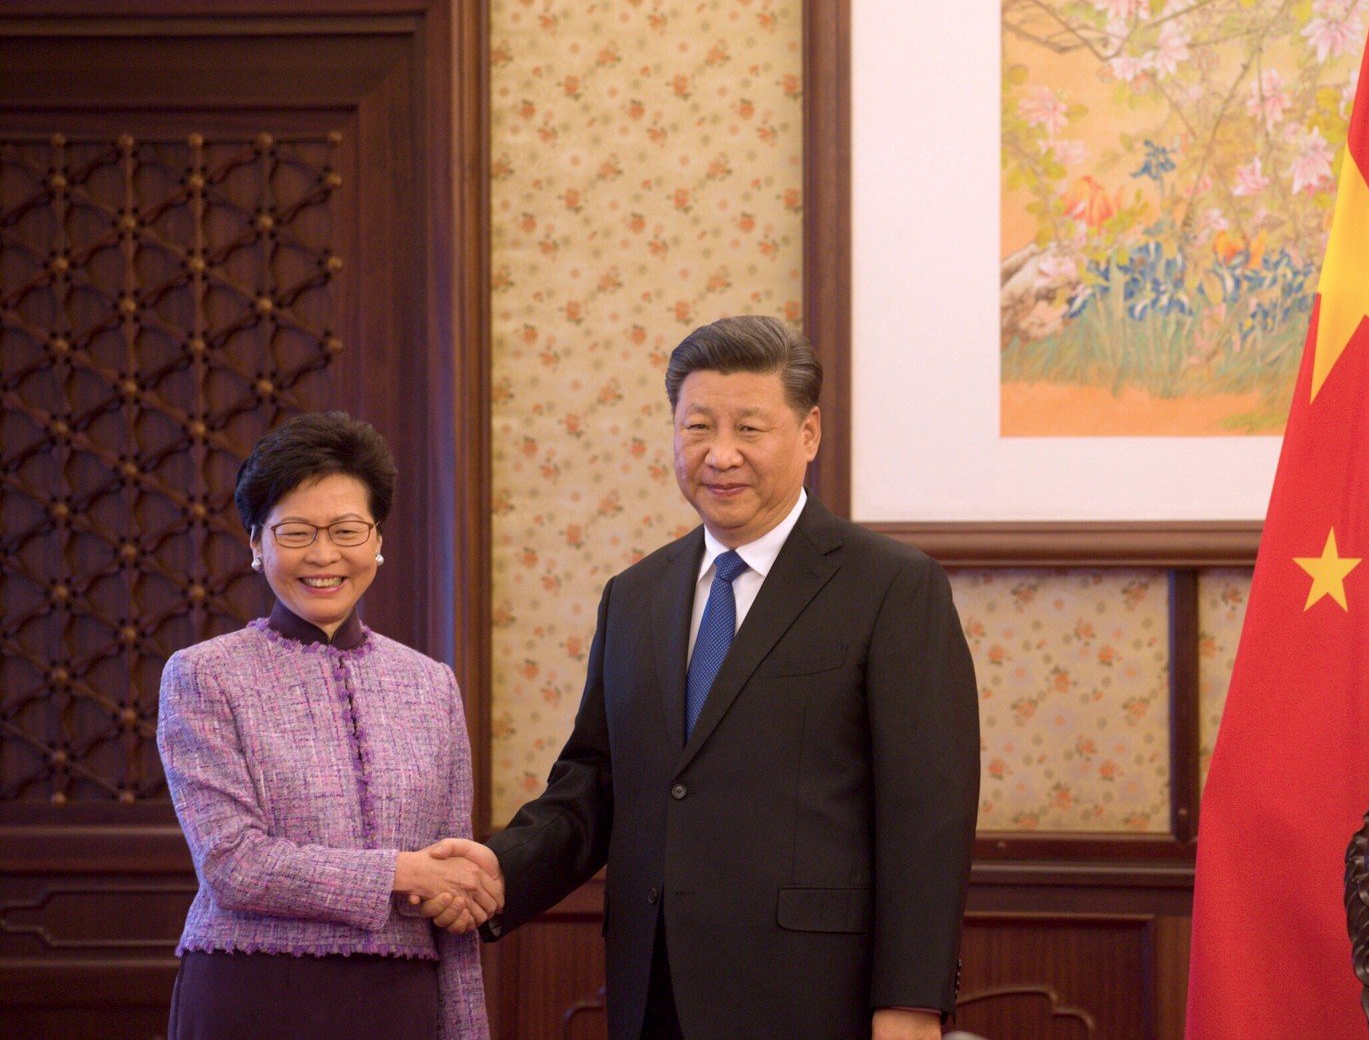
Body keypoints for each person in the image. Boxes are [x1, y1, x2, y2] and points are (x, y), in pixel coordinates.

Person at [432, 315, 981, 1039]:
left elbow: (927, 816)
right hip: (653, 990)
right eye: (698, 428)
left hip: (816, 999)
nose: (720, 455)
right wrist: (498, 873)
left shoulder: (890, 586)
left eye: (750, 429)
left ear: (808, 434)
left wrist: (910, 1006)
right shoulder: (634, 594)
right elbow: (594, 785)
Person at [157, 411, 495, 1039]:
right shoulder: (203, 675)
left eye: (346, 529)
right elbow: (233, 864)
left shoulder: (432, 685)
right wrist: (401, 872)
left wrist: (467, 1028)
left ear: (376, 539)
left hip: (400, 1004)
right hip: (252, 996)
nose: (323, 555)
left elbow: (451, 885)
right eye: (295, 532)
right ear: (257, 543)